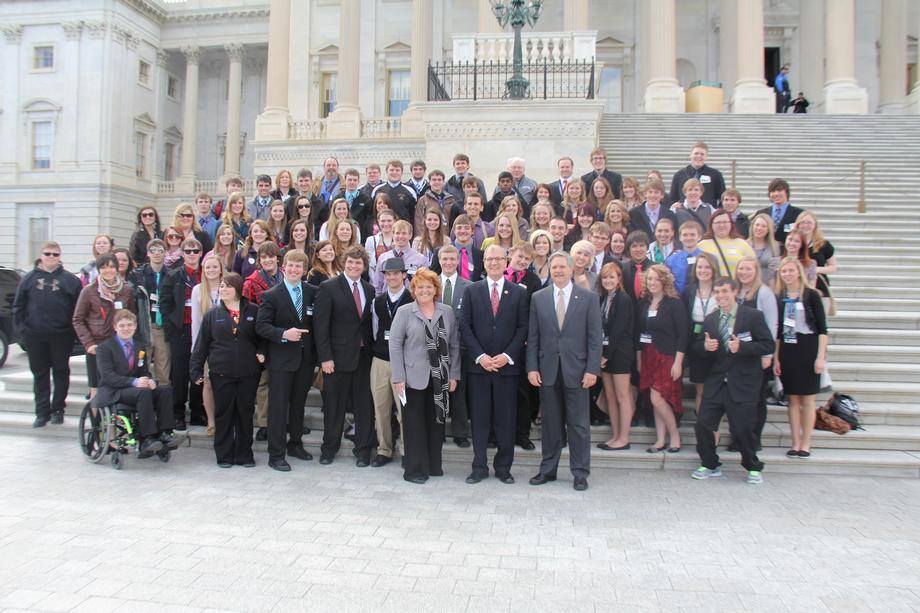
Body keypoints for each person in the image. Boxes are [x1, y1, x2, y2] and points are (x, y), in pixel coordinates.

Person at [526, 251, 602, 491]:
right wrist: (532, 368)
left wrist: (592, 369)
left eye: (562, 267)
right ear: (549, 269)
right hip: (547, 370)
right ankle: (548, 470)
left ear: (571, 270)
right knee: (550, 424)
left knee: (578, 425)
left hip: (578, 371)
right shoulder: (539, 298)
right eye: (554, 267)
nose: (558, 270)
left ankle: (580, 473)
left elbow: (594, 338)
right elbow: (533, 337)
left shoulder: (588, 298)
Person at [691, 277, 773, 483]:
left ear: (735, 292)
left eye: (725, 291)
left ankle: (753, 466)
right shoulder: (710, 319)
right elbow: (697, 346)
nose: (720, 296)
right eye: (717, 292)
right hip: (717, 383)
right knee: (703, 424)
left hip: (743, 383)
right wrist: (704, 347)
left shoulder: (753, 316)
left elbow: (768, 345)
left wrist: (743, 348)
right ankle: (709, 463)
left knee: (742, 429)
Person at [459, 245, 529, 485]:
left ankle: (503, 468)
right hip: (479, 368)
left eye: (499, 258)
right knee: (479, 420)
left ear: (506, 260)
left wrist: (507, 355)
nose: (494, 263)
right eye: (489, 259)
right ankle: (479, 467)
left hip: (506, 369)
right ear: (484, 262)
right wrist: (480, 356)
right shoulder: (472, 291)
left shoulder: (518, 292)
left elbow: (523, 328)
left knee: (505, 420)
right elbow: (465, 327)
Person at [389, 269, 461, 484]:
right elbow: (395, 345)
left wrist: (454, 374)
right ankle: (414, 470)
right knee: (414, 426)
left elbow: (455, 344)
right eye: (420, 287)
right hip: (412, 379)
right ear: (414, 289)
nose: (424, 290)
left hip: (440, 378)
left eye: (429, 286)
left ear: (436, 289)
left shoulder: (446, 311)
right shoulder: (404, 312)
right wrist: (398, 377)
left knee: (437, 424)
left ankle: (433, 466)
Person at [256, 250, 318, 471]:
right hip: (281, 360)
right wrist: (283, 334)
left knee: (298, 405)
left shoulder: (312, 292)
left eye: (298, 267)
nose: (294, 270)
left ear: (304, 270)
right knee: (279, 407)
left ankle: (296, 444)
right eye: (290, 266)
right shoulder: (271, 295)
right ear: (284, 268)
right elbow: (261, 326)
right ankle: (276, 454)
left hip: (305, 359)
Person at [314, 246, 376, 466]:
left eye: (358, 263)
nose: (354, 266)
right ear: (343, 262)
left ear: (364, 266)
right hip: (336, 359)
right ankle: (329, 449)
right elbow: (320, 326)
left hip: (363, 358)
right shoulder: (328, 287)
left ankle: (363, 451)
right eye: (350, 262)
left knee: (364, 407)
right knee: (334, 406)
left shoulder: (369, 289)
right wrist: (325, 358)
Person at [194, 273, 263, 459]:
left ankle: (244, 454)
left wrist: (262, 354)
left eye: (228, 286)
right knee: (223, 414)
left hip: (248, 372)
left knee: (245, 414)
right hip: (221, 372)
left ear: (238, 290)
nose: (223, 289)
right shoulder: (212, 315)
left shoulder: (254, 311)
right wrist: (196, 369)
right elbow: (202, 344)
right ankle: (224, 454)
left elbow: (262, 338)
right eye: (222, 286)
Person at [13, 242, 82, 427]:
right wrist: (23, 331)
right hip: (35, 335)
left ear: (60, 256)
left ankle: (58, 409)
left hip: (61, 335)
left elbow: (78, 309)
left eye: (55, 254)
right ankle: (42, 412)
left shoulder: (70, 281)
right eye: (47, 254)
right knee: (40, 374)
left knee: (61, 371)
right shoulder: (28, 279)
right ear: (41, 255)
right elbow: (18, 306)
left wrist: (74, 333)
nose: (51, 257)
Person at [94, 310, 177, 457]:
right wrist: (134, 382)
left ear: (135, 326)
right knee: (143, 392)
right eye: (122, 325)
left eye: (130, 325)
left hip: (135, 389)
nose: (126, 328)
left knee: (164, 390)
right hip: (115, 390)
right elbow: (108, 377)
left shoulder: (139, 347)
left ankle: (165, 432)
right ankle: (147, 438)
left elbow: (143, 371)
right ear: (115, 327)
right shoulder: (104, 348)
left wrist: (149, 380)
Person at [774, 256, 828, 458]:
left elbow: (823, 329)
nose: (787, 274)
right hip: (788, 348)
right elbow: (778, 331)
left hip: (808, 346)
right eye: (783, 271)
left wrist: (820, 357)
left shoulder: (812, 295)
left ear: (799, 271)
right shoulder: (780, 296)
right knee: (793, 399)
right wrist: (777, 358)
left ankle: (806, 443)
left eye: (790, 270)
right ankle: (795, 442)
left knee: (807, 400)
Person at [636, 264, 687, 454]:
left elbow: (683, 335)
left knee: (658, 398)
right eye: (649, 279)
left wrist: (678, 362)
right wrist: (639, 358)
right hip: (649, 356)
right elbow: (640, 333)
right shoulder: (644, 303)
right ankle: (660, 439)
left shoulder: (674, 303)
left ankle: (674, 435)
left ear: (664, 281)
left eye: (657, 279)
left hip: (667, 357)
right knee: (654, 398)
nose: (652, 282)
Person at [73, 253, 137, 400]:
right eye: (104, 267)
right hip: (97, 346)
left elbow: (133, 316)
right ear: (99, 269)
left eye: (111, 267)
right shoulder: (89, 291)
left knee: (118, 386)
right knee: (96, 388)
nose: (108, 270)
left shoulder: (126, 290)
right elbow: (78, 319)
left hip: (119, 346)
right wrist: (88, 343)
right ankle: (96, 422)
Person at [369, 258, 414, 468]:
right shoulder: (378, 301)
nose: (391, 277)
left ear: (404, 275)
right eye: (387, 274)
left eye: (396, 273)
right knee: (381, 408)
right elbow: (374, 329)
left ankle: (407, 450)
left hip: (403, 363)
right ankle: (384, 450)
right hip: (380, 360)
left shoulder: (412, 299)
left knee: (404, 410)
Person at [159, 238, 205, 430]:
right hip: (181, 330)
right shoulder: (173, 276)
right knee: (179, 373)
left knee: (199, 371)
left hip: (203, 329)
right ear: (182, 254)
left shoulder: (206, 274)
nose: (192, 254)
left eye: (195, 251)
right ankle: (178, 412)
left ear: (201, 253)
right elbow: (165, 304)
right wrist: (172, 329)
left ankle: (197, 411)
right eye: (188, 251)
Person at [431, 244, 473, 448]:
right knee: (436, 391)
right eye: (444, 259)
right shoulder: (430, 284)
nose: (448, 263)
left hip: (460, 348)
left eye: (451, 259)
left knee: (458, 392)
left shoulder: (469, 286)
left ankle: (460, 433)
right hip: (434, 346)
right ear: (439, 261)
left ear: (458, 261)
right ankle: (437, 432)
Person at [735, 256, 779, 451]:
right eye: (741, 269)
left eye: (748, 269)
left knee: (756, 399)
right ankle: (738, 438)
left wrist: (767, 356)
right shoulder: (736, 292)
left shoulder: (764, 293)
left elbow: (771, 324)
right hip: (737, 355)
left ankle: (754, 439)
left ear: (756, 271)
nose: (744, 273)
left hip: (756, 354)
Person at [242, 241, 283, 443]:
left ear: (277, 257)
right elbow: (246, 313)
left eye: (271, 256)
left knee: (284, 382)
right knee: (264, 382)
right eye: (263, 257)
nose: (267, 260)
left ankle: (286, 420)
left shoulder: (287, 276)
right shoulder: (251, 282)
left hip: (285, 335)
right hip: (262, 336)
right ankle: (265, 423)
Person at [595, 261, 635, 451]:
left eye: (612, 277)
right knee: (610, 396)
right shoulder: (603, 298)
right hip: (605, 352)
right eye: (605, 277)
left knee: (622, 396)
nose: (608, 280)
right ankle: (615, 436)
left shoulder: (623, 299)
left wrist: (607, 355)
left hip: (619, 353)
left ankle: (624, 438)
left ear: (619, 279)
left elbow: (618, 330)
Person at [681, 252, 721, 420]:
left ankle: (711, 424)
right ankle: (701, 425)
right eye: (700, 267)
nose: (703, 270)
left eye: (707, 267)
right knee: (700, 388)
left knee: (714, 387)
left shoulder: (720, 289)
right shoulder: (689, 290)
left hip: (717, 342)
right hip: (696, 342)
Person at [129, 239, 171, 384]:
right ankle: (144, 401)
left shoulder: (171, 275)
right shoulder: (137, 275)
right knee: (142, 368)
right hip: (144, 326)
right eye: (153, 250)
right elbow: (132, 303)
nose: (157, 253)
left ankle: (163, 401)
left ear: (165, 253)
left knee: (163, 369)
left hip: (163, 328)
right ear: (148, 253)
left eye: (160, 250)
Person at [190, 253, 223, 436]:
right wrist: (196, 349)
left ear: (220, 270)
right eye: (208, 267)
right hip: (206, 344)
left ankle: (223, 419)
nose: (211, 270)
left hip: (224, 344)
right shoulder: (197, 290)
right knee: (208, 384)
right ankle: (211, 421)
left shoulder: (227, 287)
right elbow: (195, 321)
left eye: (214, 267)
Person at [794, 210, 837, 311]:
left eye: (809, 223)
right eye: (803, 222)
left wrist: (815, 269)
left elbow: (833, 267)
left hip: (819, 288)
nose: (806, 225)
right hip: (798, 287)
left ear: (815, 225)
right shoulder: (793, 243)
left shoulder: (824, 245)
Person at [698, 209, 756, 278]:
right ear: (711, 225)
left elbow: (754, 266)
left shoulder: (742, 243)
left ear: (731, 224)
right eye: (718, 222)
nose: (721, 225)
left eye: (725, 222)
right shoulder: (701, 245)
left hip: (736, 286)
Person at [373, 220, 427, 293]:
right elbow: (377, 285)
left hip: (411, 300)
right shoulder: (383, 258)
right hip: (388, 300)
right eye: (397, 233)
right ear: (393, 235)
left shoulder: (420, 259)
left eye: (404, 233)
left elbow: (425, 284)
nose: (400, 236)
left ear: (410, 235)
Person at [669, 141, 726, 207]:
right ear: (690, 155)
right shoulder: (679, 175)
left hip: (708, 214)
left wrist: (717, 213)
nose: (699, 156)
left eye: (702, 154)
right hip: (685, 215)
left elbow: (723, 198)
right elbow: (672, 199)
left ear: (706, 157)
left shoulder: (715, 175)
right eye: (696, 153)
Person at [431, 216, 484, 282]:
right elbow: (433, 278)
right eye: (459, 228)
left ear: (472, 231)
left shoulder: (480, 255)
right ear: (454, 231)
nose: (462, 231)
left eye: (467, 228)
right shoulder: (440, 252)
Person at [755, 178, 803, 244]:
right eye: (773, 191)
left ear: (786, 192)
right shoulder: (761, 213)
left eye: (779, 190)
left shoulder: (798, 214)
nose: (776, 194)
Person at [372, 160, 417, 224]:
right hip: (383, 227)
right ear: (387, 171)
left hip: (402, 230)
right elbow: (372, 213)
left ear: (402, 172)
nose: (394, 172)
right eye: (392, 170)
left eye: (397, 170)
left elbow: (413, 216)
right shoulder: (377, 190)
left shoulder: (410, 191)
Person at [665, 220, 704, 294]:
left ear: (699, 237)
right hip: (678, 300)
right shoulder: (671, 260)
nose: (688, 238)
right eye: (685, 235)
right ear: (680, 237)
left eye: (692, 235)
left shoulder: (708, 259)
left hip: (700, 299)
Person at [415, 169, 457, 236]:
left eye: (439, 180)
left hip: (447, 236)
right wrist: (422, 238)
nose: (437, 182)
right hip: (429, 237)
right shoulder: (423, 200)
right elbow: (419, 222)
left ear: (443, 182)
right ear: (429, 182)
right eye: (434, 180)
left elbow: (455, 220)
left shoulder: (450, 200)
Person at [747, 213, 780, 286]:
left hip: (767, 286)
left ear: (768, 229)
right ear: (752, 226)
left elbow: (776, 272)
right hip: (748, 286)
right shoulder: (745, 245)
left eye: (763, 226)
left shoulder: (775, 246)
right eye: (757, 225)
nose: (759, 228)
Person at [342, 168, 374, 240]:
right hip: (341, 236)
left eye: (355, 180)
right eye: (350, 180)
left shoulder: (366, 200)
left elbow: (369, 222)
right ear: (345, 180)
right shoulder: (338, 198)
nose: (352, 182)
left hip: (360, 237)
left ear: (358, 181)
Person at [622, 230, 654, 301]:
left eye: (642, 245)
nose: (638, 249)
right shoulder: (622, 268)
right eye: (634, 246)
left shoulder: (655, 268)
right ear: (629, 249)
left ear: (647, 247)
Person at [365, 207, 396, 277]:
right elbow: (370, 265)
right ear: (378, 221)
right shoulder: (371, 240)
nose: (386, 223)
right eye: (383, 221)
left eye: (389, 221)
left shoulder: (401, 239)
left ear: (394, 221)